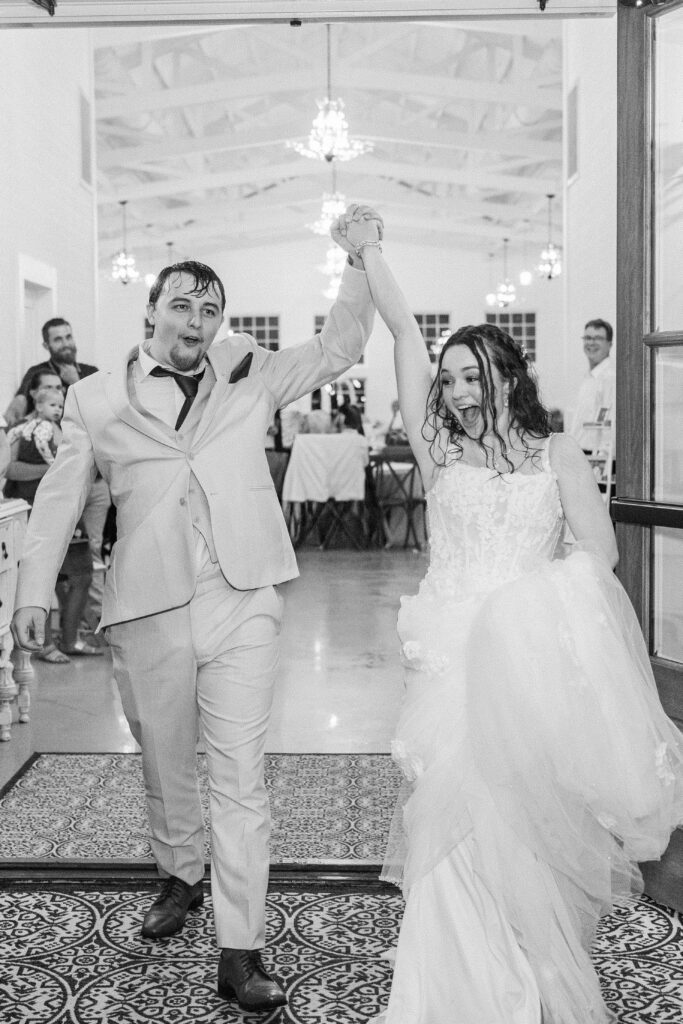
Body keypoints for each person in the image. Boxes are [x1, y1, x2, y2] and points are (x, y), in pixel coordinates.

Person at [12, 203, 380, 1013]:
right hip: (145, 608)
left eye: (210, 310)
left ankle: (239, 948)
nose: (197, 321)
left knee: (241, 779)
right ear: (151, 313)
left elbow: (341, 346)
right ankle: (180, 872)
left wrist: (357, 259)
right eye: (182, 305)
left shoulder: (251, 376)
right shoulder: (96, 401)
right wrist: (33, 590)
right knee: (165, 761)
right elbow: (59, 502)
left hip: (242, 596)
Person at [335, 216, 683, 1024]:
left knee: (522, 822)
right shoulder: (437, 452)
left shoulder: (557, 452)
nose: (455, 391)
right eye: (448, 379)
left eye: (470, 376)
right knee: (450, 825)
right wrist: (370, 250)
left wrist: (523, 619)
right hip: (447, 665)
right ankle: (449, 993)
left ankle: (526, 980)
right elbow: (402, 334)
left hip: (524, 663)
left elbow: (599, 556)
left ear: (506, 375)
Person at [5, 321, 110, 639]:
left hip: (98, 482)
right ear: (46, 345)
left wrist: (75, 382)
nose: (65, 343)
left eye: (68, 336)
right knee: (65, 557)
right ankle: (75, 628)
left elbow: (105, 413)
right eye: (57, 339)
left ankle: (93, 623)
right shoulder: (36, 377)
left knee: (92, 554)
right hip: (62, 484)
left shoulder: (90, 371)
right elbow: (17, 415)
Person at [5, 390, 99, 662]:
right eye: (52, 404)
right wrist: (56, 472)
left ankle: (71, 638)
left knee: (82, 574)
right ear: (37, 402)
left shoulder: (67, 428)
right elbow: (11, 469)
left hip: (71, 508)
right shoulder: (22, 430)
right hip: (37, 508)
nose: (58, 409)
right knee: (43, 576)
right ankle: (44, 643)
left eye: (61, 404)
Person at [569, 318, 615, 454]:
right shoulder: (588, 377)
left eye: (598, 338)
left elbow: (610, 423)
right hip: (580, 452)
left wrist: (602, 459)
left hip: (597, 456)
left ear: (610, 344)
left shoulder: (611, 377)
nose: (591, 343)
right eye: (588, 338)